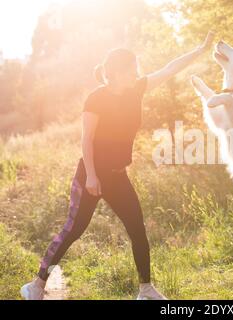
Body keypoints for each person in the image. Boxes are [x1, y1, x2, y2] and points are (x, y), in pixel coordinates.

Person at [21, 31, 215, 300]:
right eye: (131, 70)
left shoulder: (137, 90)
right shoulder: (96, 98)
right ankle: (37, 285)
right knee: (74, 230)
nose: (136, 74)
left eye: (136, 70)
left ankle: (145, 289)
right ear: (116, 72)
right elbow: (86, 138)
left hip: (117, 176)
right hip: (91, 175)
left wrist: (200, 49)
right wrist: (90, 176)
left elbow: (170, 69)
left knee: (137, 227)